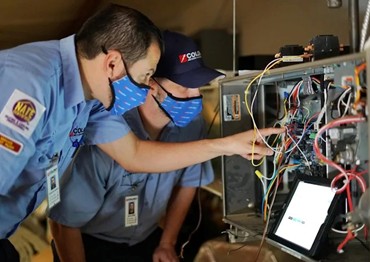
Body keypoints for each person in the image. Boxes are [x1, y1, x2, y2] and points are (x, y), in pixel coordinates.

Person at [0, 4, 283, 261]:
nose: (145, 89)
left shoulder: (92, 99)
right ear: (112, 63)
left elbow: (134, 154)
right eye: (146, 76)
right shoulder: (30, 83)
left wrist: (226, 145)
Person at [48, 30, 224, 262]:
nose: (196, 97)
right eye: (185, 87)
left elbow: (188, 182)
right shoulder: (106, 133)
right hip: (89, 243)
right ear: (150, 84)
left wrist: (167, 243)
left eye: (199, 86)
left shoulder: (192, 125)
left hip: (146, 239)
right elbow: (63, 223)